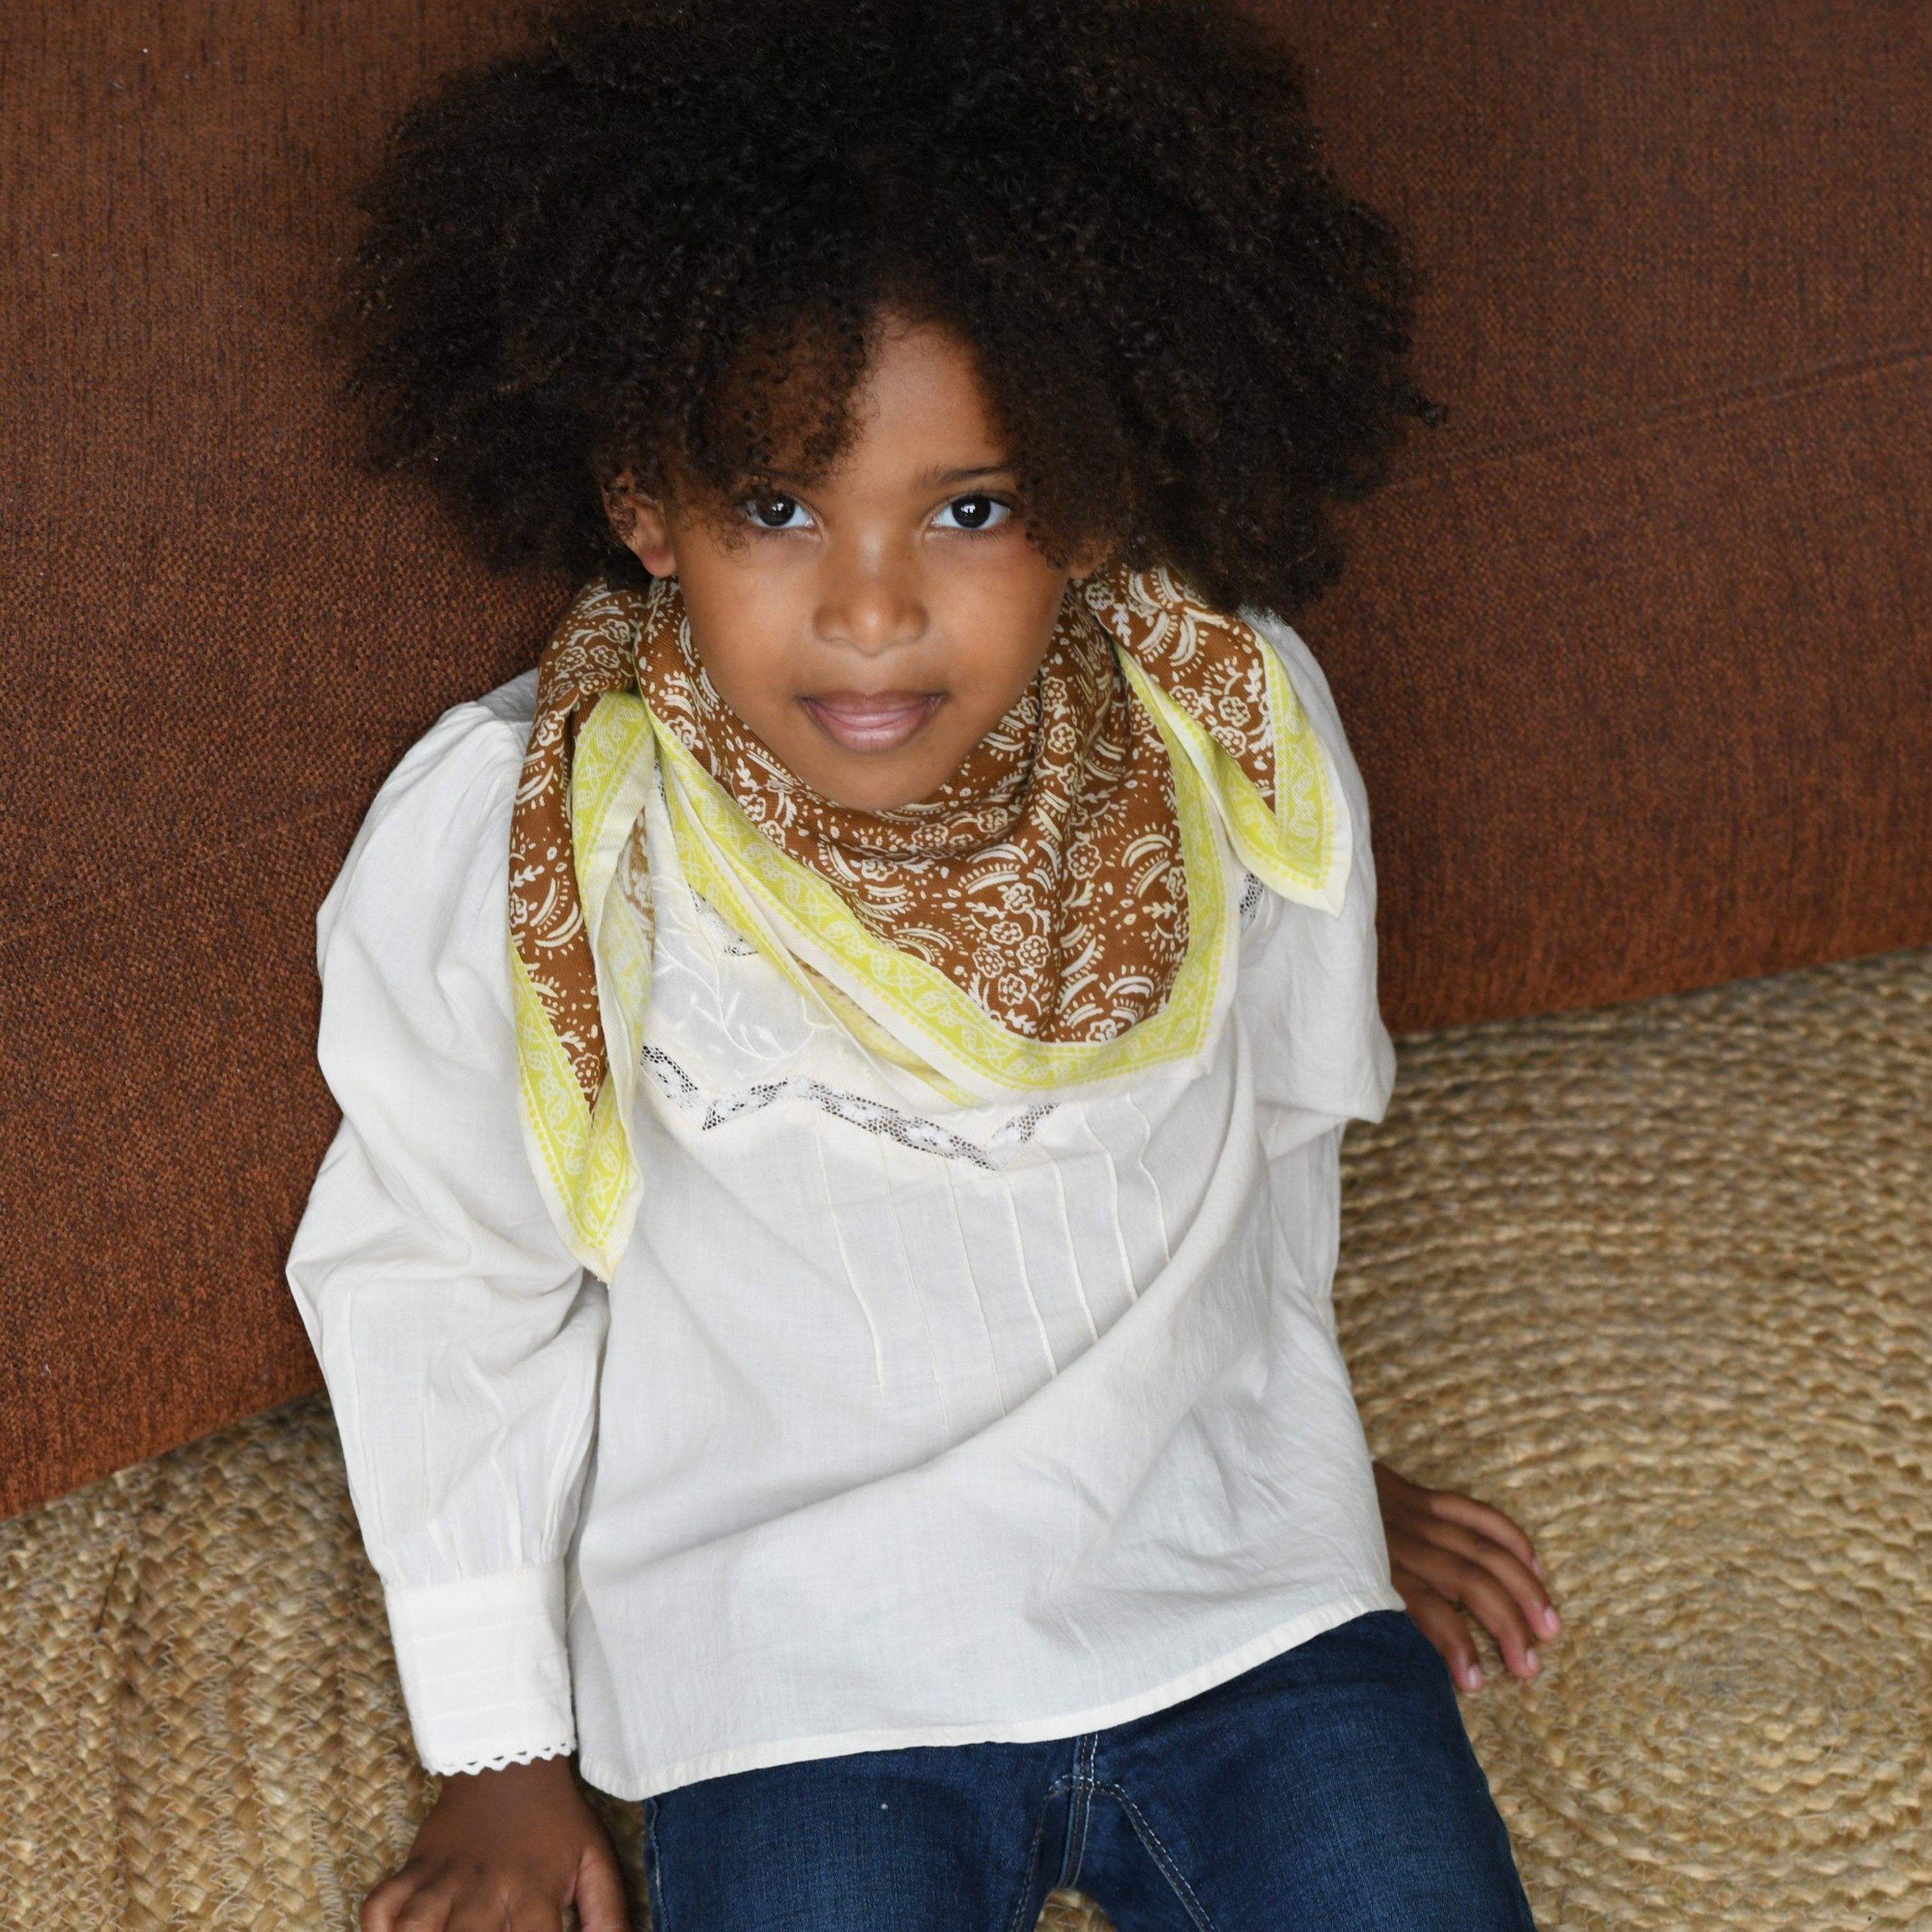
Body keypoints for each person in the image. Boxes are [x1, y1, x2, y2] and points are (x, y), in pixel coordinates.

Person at [285, 0, 1560, 1925]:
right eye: (775, 505)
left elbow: (1277, 1130)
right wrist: (498, 1755)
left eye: (970, 510)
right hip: (801, 1668)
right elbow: (439, 1274)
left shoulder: (1227, 730)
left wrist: (1309, 1466)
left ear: (1094, 494)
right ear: (643, 502)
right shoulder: (549, 837)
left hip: (1240, 1607)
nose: (871, 609)